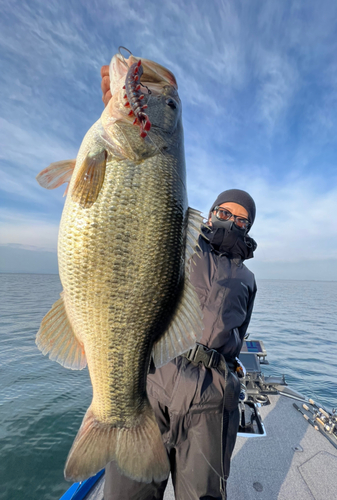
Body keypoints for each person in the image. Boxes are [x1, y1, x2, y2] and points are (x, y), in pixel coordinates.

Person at [100, 67, 257, 500]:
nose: (231, 220)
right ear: (208, 216)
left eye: (241, 218)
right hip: (157, 374)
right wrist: (128, 117)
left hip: (211, 394)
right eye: (223, 212)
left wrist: (230, 380)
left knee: (203, 494)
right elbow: (138, 228)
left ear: (248, 229)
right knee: (129, 491)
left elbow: (240, 335)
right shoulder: (183, 244)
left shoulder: (247, 278)